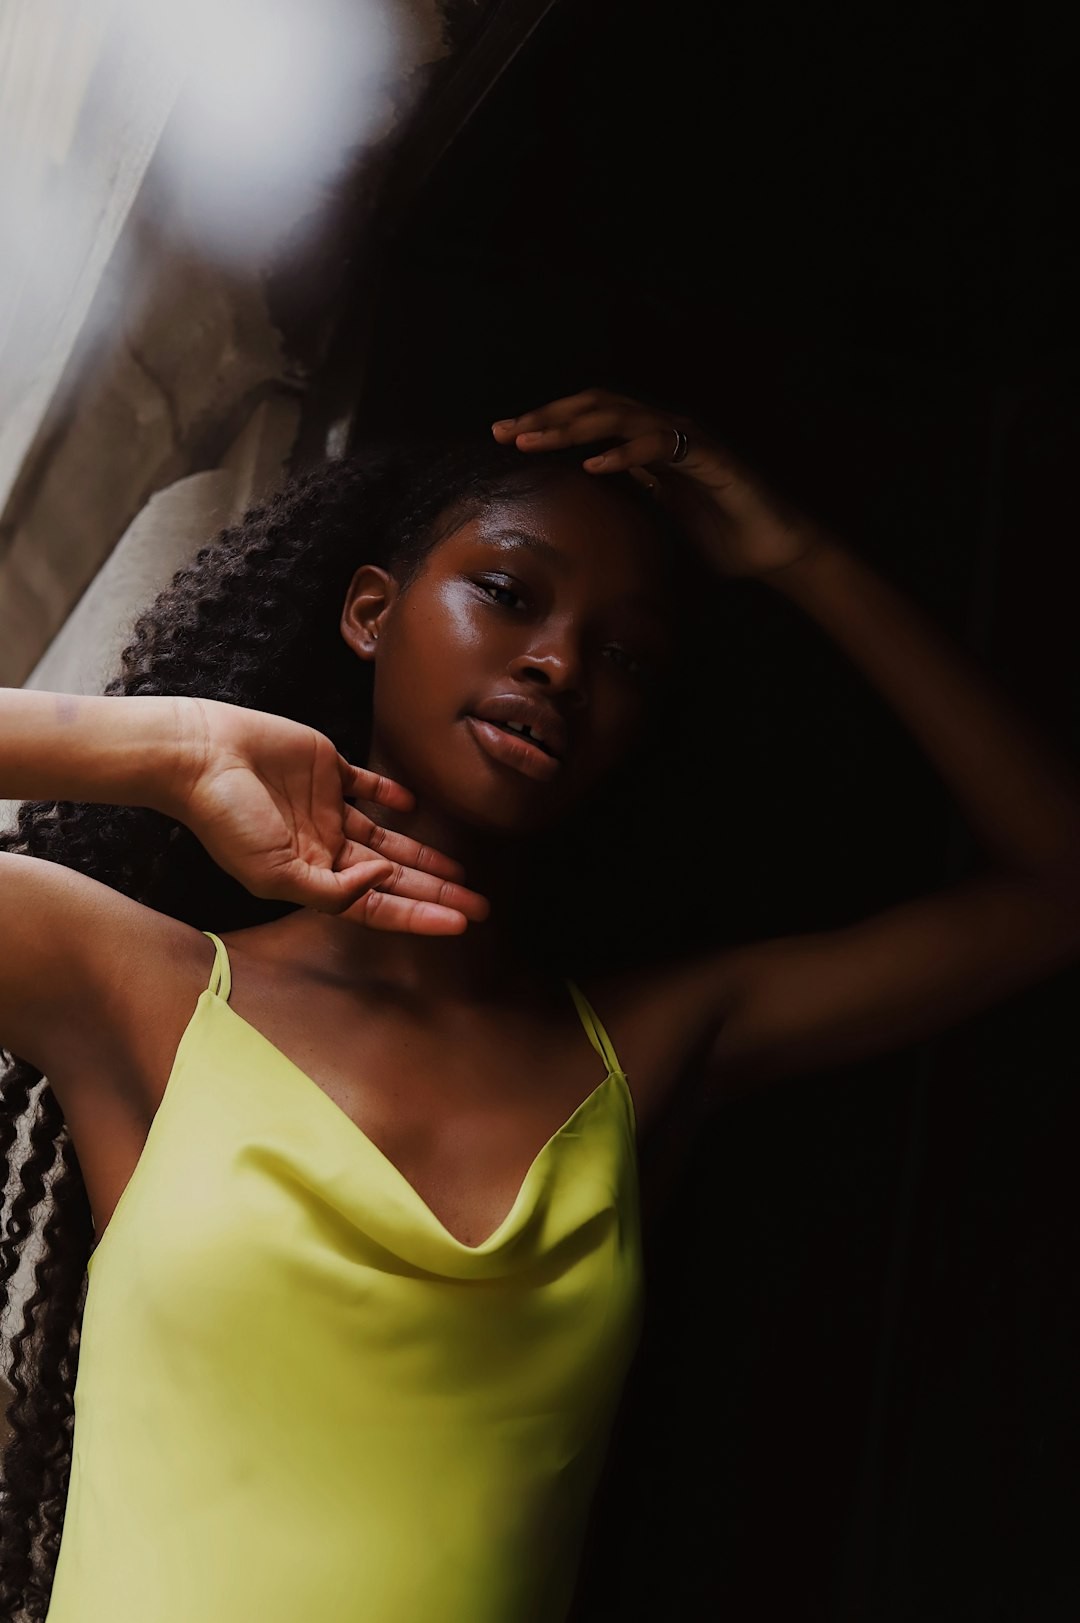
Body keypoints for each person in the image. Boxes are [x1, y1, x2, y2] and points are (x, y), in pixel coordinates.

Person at [1, 387, 1078, 1621]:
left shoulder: (651, 1052)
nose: (561, 663)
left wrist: (799, 554)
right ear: (370, 611)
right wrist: (169, 752)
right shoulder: (136, 988)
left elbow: (1057, 887)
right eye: (509, 593)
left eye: (625, 656)